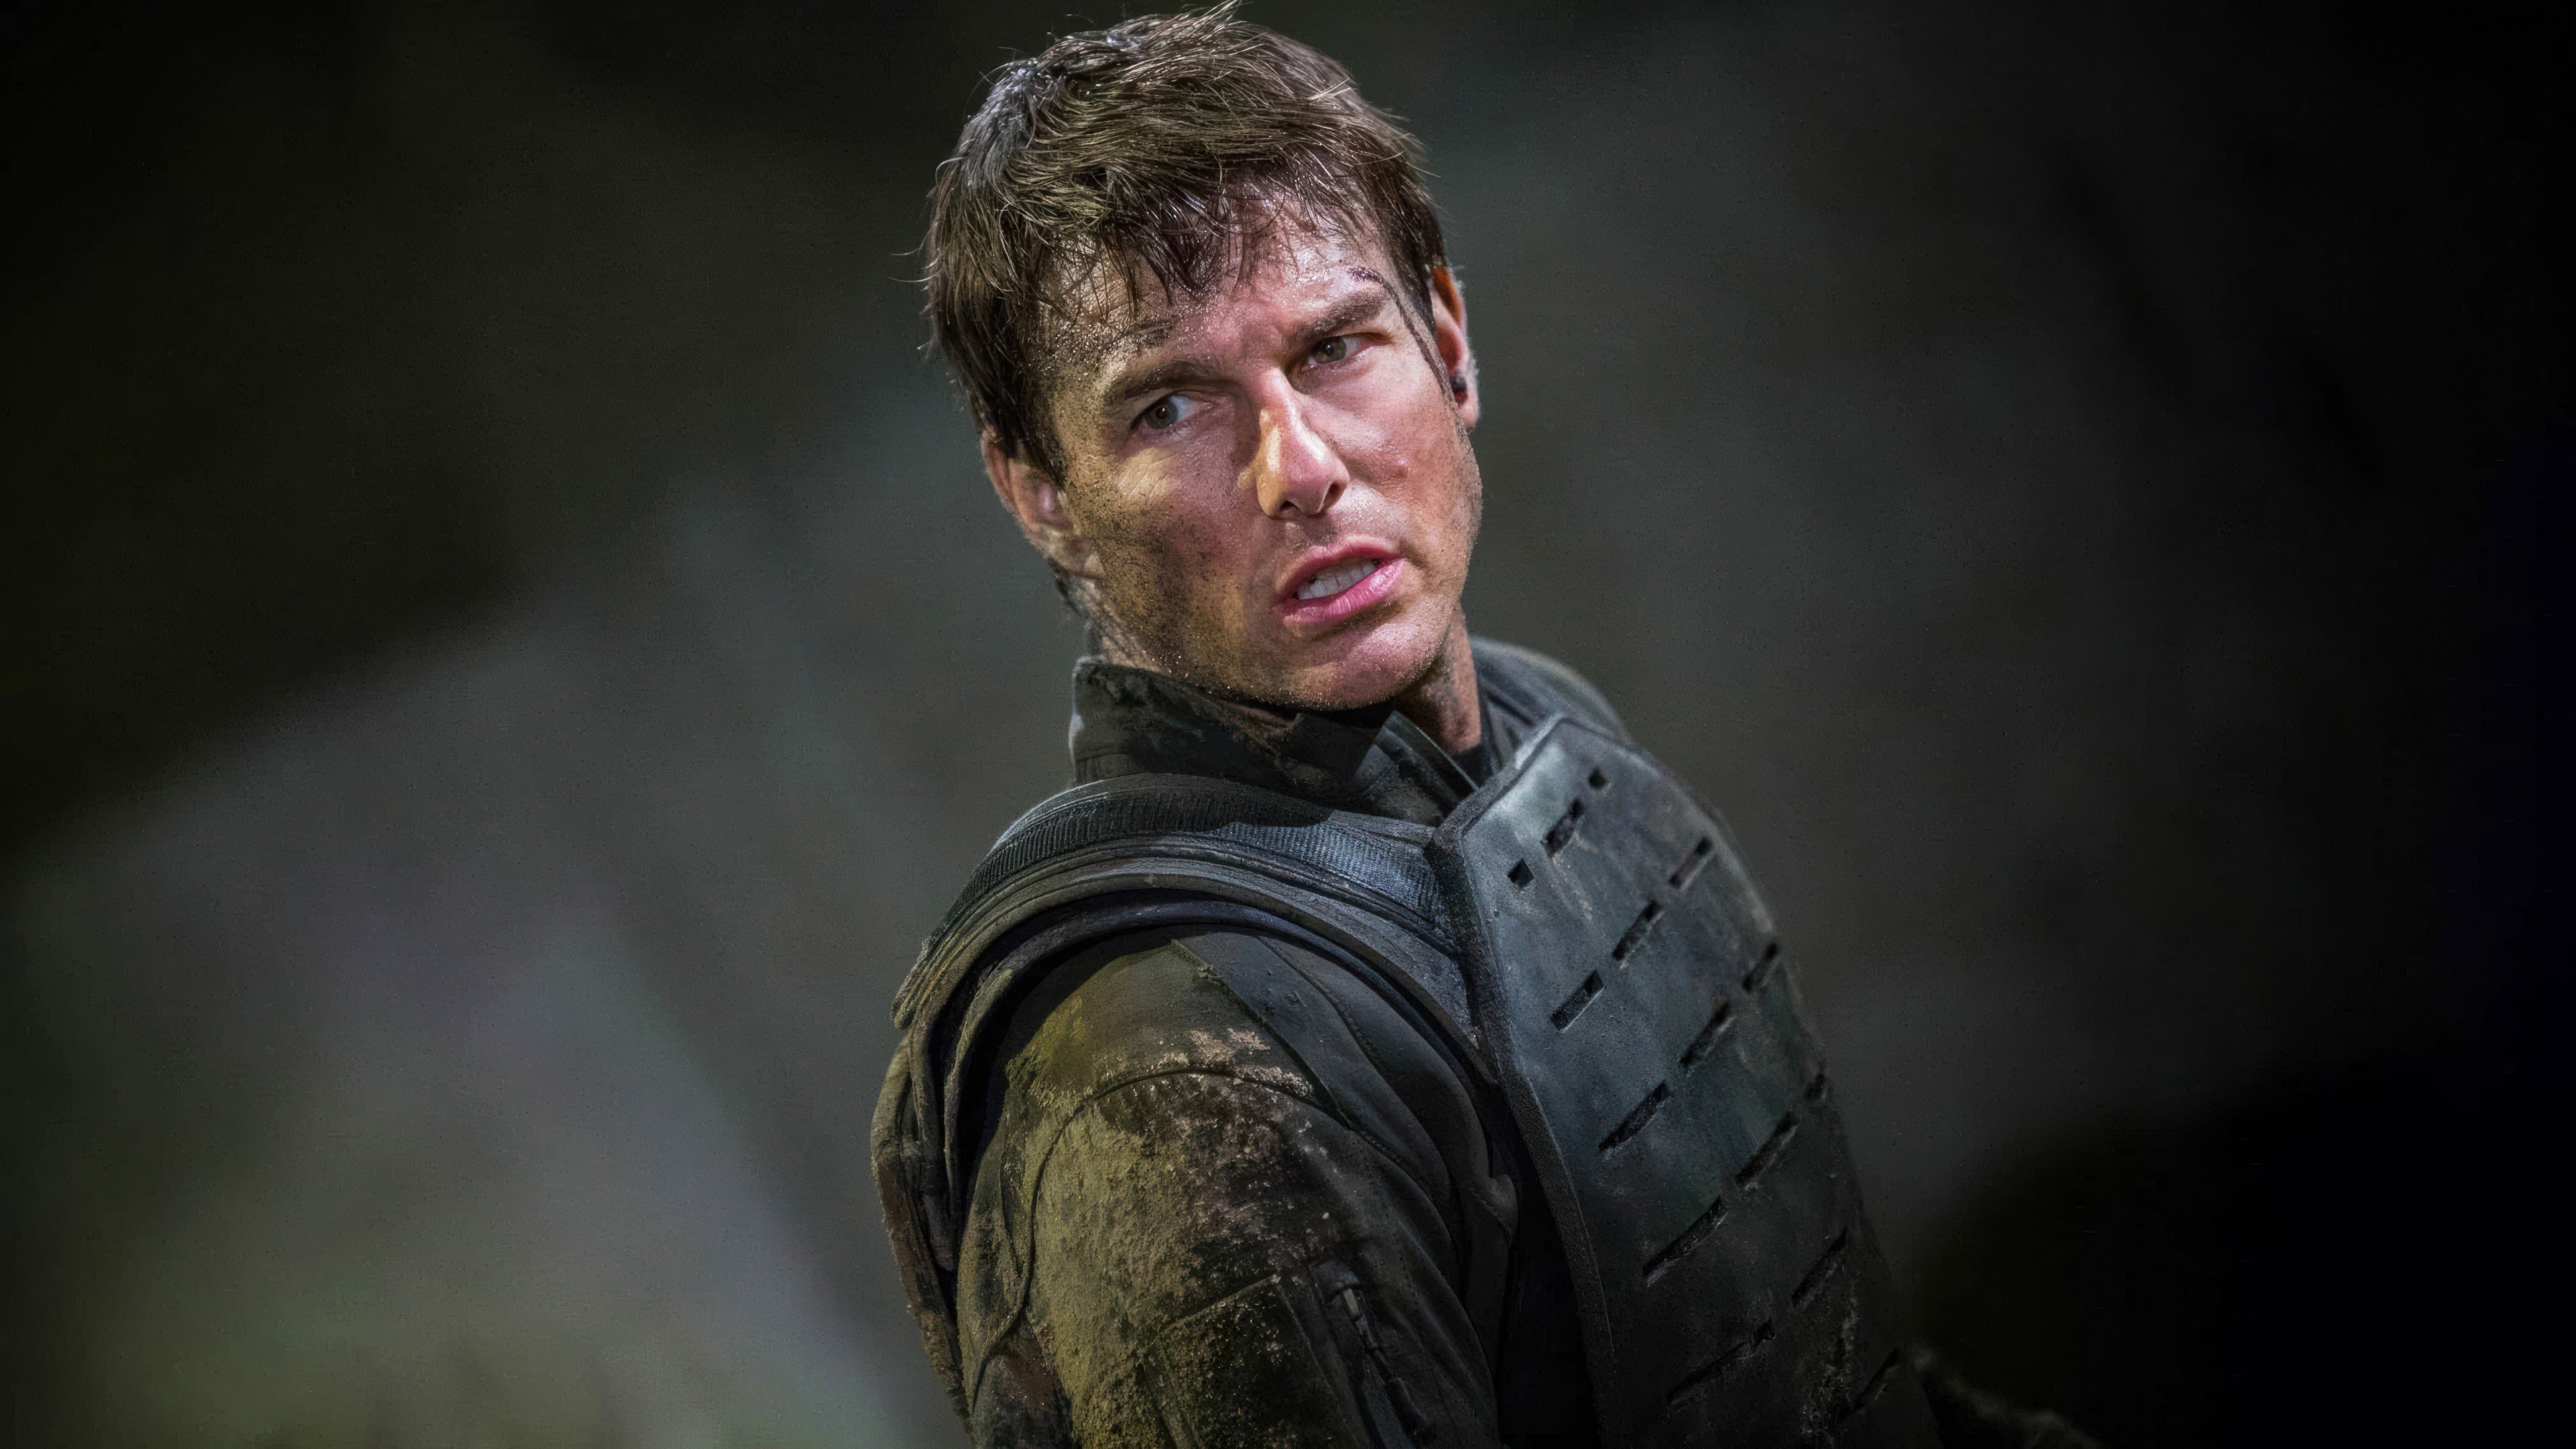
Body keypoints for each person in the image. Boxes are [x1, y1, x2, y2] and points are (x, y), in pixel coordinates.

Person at [873, 9, 2090, 1447]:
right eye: (1171, 407)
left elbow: (1801, 1364)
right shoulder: (1169, 1072)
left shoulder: (1540, 732)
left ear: (1447, 340)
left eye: (1336, 346)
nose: (1300, 467)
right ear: (1043, 496)